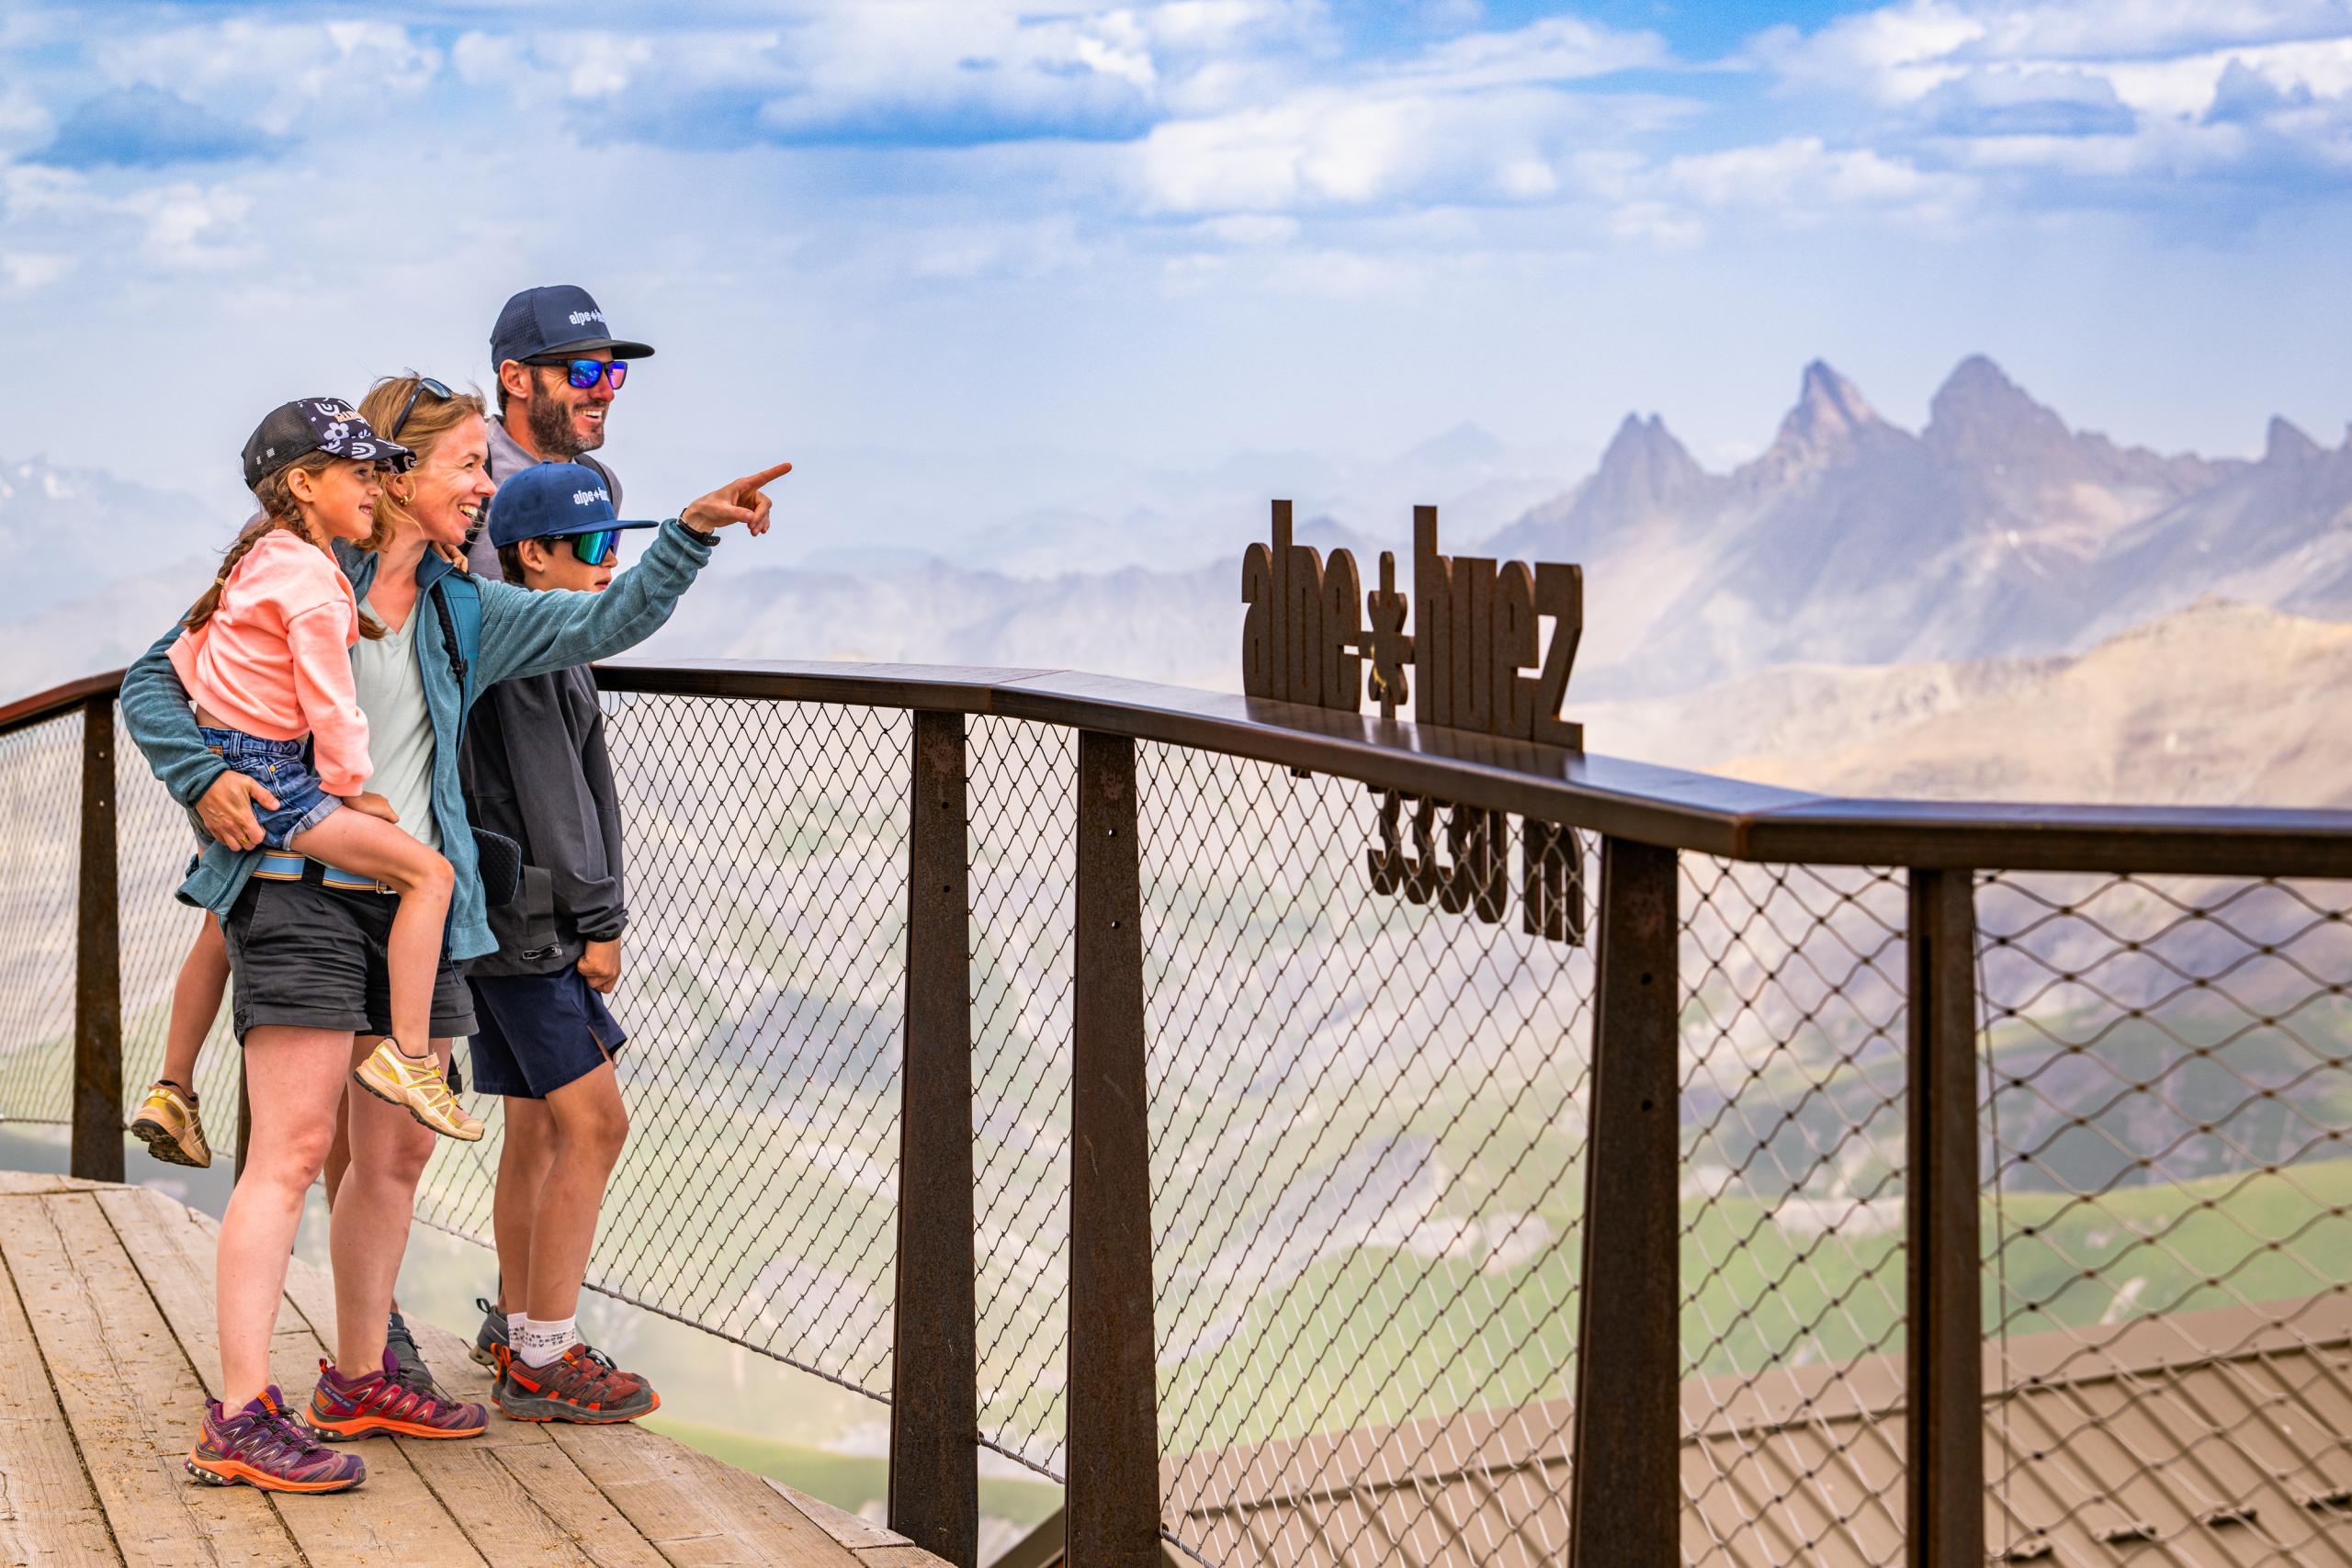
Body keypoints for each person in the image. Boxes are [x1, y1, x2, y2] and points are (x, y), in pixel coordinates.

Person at [123, 373, 787, 1493]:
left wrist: (689, 534)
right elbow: (155, 680)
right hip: (299, 886)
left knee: (400, 1152)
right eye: (470, 466)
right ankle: (236, 1414)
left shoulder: (457, 608)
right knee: (290, 1155)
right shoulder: (295, 564)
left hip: (413, 913)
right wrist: (205, 781)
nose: (487, 488)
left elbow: (603, 618)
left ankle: (355, 1375)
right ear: (397, 474)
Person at [167, 399, 478, 1142]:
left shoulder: (260, 561)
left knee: (220, 917)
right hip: (284, 779)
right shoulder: (311, 579)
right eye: (360, 473)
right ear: (305, 485)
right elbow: (332, 704)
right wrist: (349, 791)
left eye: (381, 473)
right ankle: (409, 1057)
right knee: (430, 875)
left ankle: (172, 1081)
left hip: (244, 761)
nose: (373, 487)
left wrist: (214, 743)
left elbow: (185, 659)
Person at [459, 465, 660, 1423]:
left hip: (501, 916)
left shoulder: (515, 629)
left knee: (537, 1126)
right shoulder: (535, 650)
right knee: (595, 1124)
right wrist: (601, 921)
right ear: (530, 554)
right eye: (590, 546)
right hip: (536, 924)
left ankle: (514, 1323)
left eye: (612, 540)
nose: (608, 560)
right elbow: (556, 800)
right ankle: (545, 1353)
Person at [466, 284, 649, 578]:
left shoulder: (602, 483)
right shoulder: (467, 475)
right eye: (583, 372)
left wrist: (696, 528)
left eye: (611, 372)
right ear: (515, 379)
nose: (606, 392)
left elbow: (589, 612)